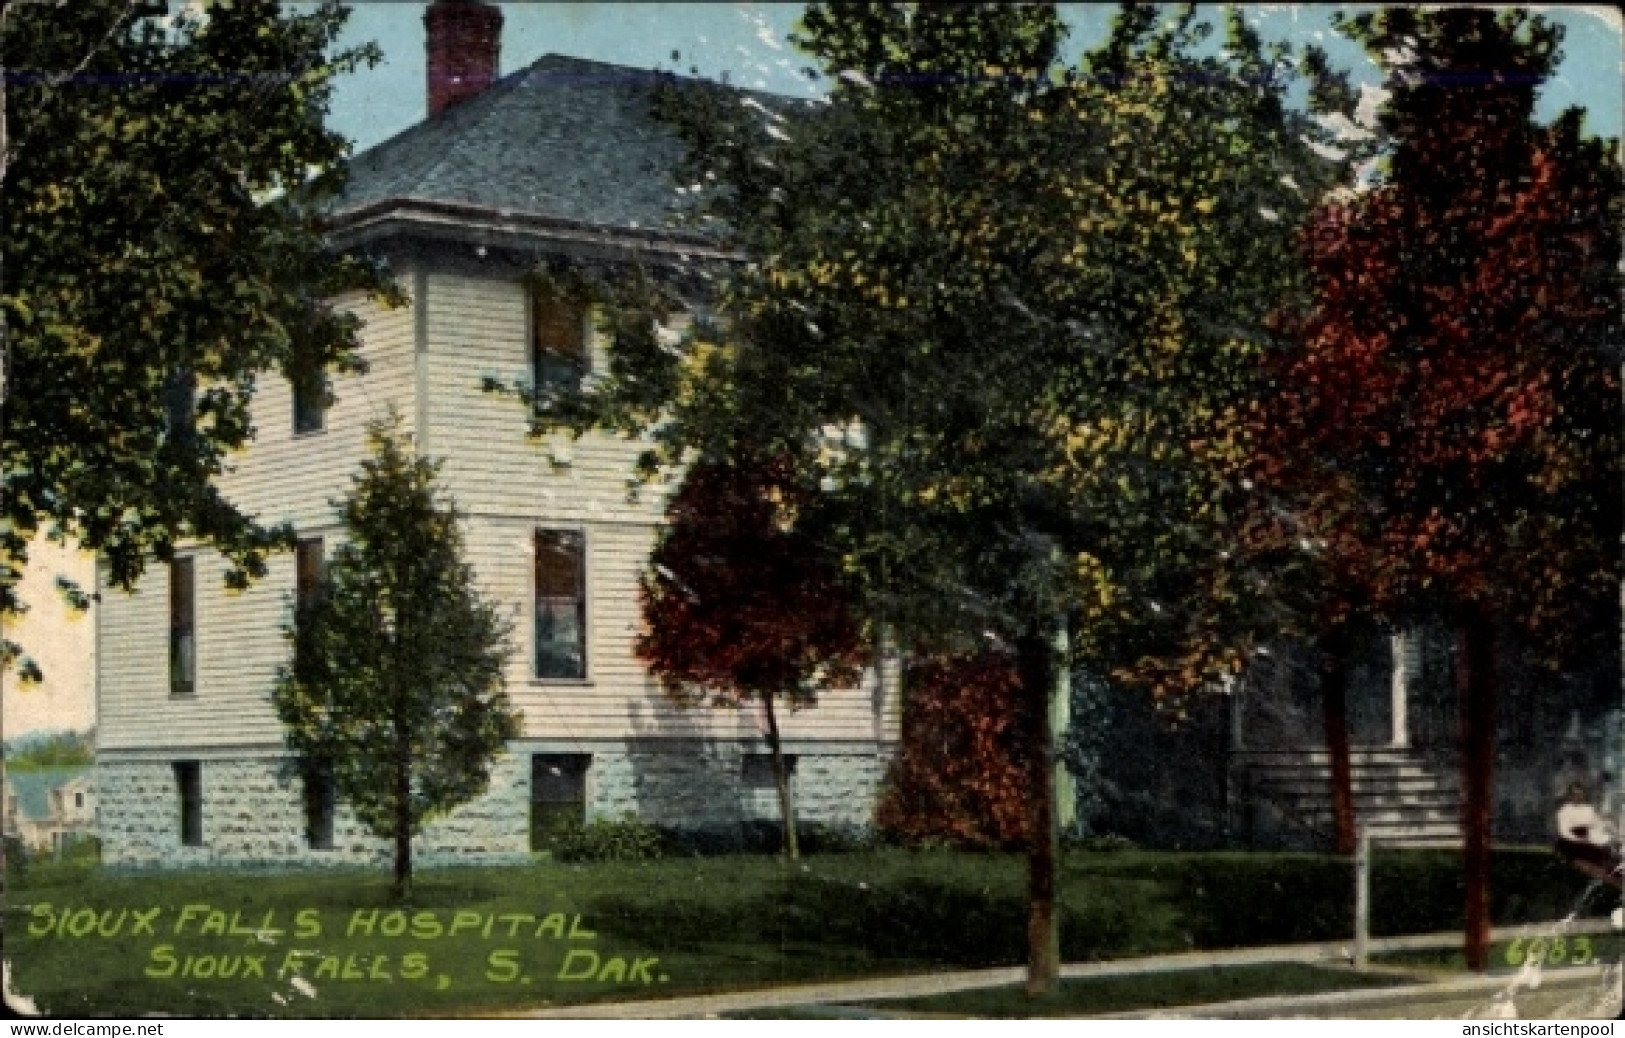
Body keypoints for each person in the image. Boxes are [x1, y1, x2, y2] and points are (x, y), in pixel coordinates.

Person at [1554, 782, 1620, 887]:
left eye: (1580, 794)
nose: (1578, 797)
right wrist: (1579, 839)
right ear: (1570, 796)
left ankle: (1614, 875)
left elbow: (1596, 824)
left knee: (1608, 849)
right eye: (1575, 794)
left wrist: (1606, 824)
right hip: (1571, 842)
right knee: (1594, 856)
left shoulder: (1588, 809)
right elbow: (1564, 832)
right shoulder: (1564, 811)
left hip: (1588, 838)